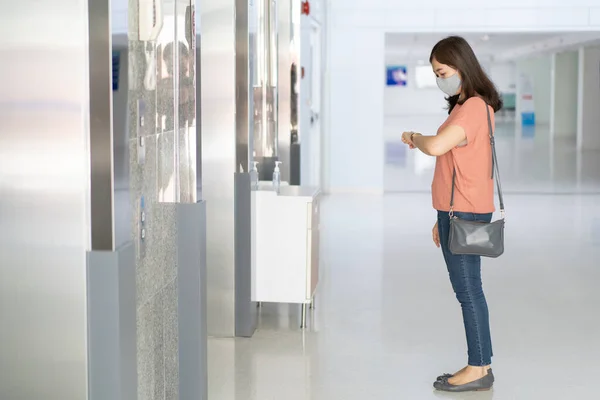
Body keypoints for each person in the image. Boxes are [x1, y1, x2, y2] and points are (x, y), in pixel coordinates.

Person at [401, 36, 503, 393]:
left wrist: (413, 136)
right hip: (457, 210)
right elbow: (459, 165)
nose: (439, 78)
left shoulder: (474, 107)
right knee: (469, 288)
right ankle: (479, 363)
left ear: (463, 67)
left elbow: (438, 147)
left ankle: (479, 368)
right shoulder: (467, 107)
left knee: (468, 291)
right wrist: (441, 215)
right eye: (435, 73)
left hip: (465, 212)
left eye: (442, 71)